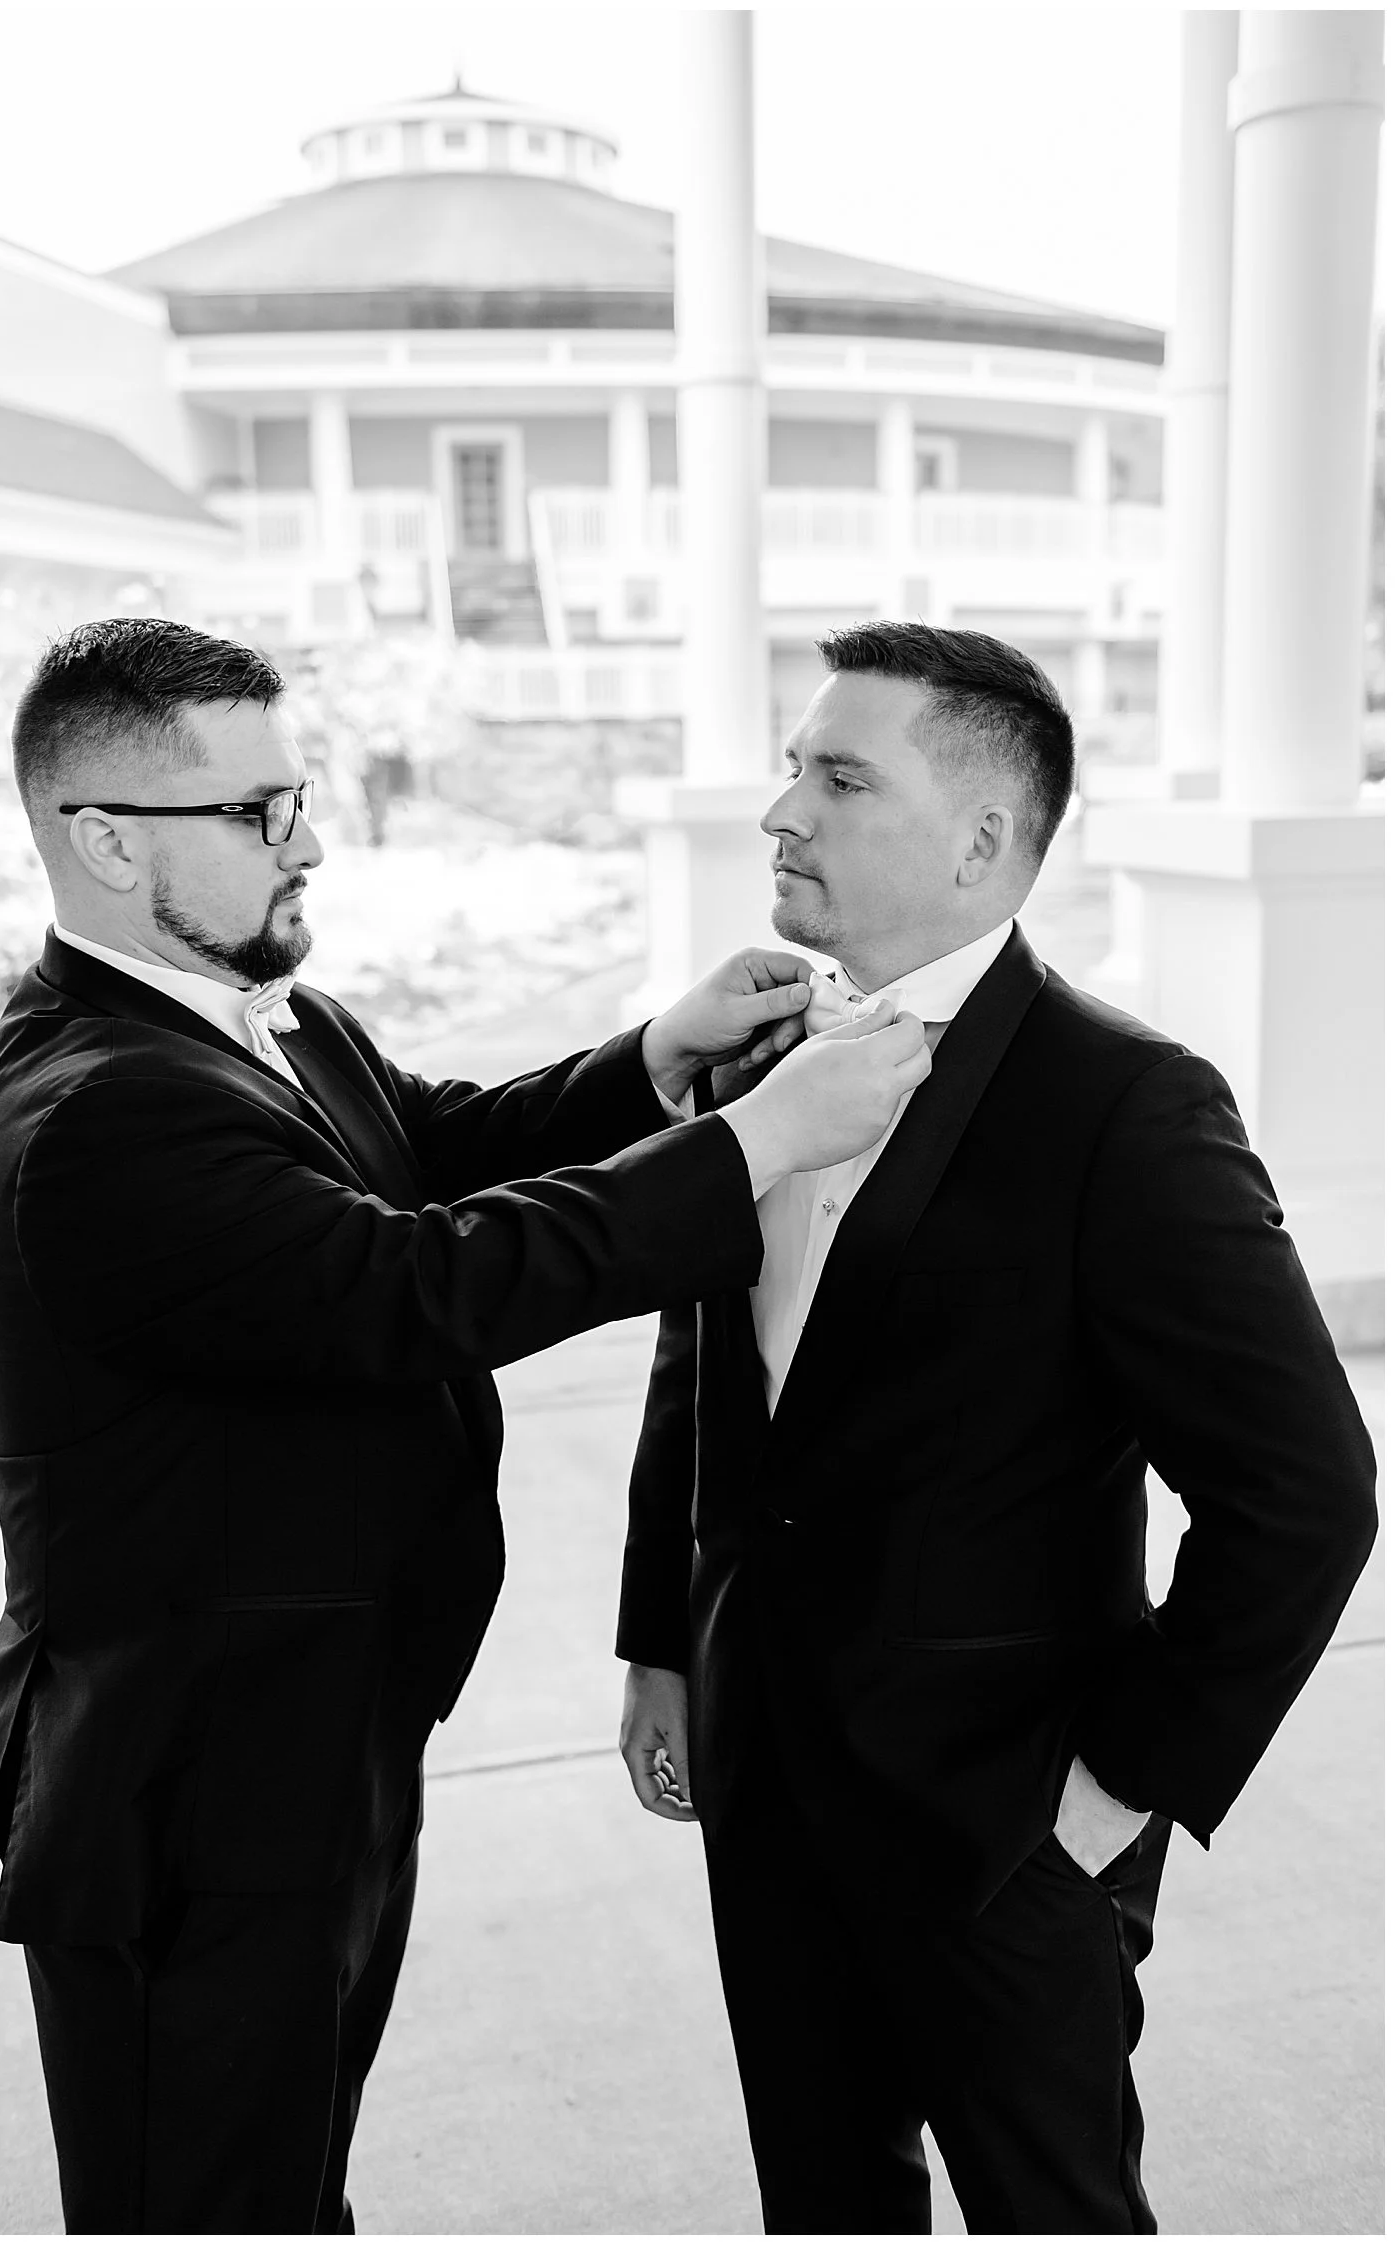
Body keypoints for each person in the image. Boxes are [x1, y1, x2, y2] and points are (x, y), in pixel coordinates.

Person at [0, 615, 933, 2235]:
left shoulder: (264, 1016)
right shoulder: (98, 1115)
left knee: (290, 2187)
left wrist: (655, 1060)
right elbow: (416, 1284)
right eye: (261, 812)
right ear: (108, 841)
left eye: (302, 797)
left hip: (311, 1749)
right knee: (204, 2207)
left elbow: (436, 1150)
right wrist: (756, 1144)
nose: (309, 843)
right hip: (190, 1794)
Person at [616, 621, 1377, 2236]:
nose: (781, 812)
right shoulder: (759, 1048)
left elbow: (1304, 1496)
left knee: (1055, 2210)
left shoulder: (1128, 1105)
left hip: (1006, 1824)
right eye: (791, 770)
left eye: (839, 779)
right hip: (766, 1769)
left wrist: (1113, 1797)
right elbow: (703, 1371)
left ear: (980, 840)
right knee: (822, 2203)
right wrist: (662, 1646)